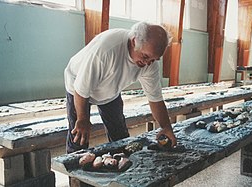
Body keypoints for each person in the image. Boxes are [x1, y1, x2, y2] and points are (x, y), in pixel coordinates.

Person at [64, 21, 177, 154]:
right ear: (134, 41)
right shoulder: (106, 51)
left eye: (153, 60)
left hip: (110, 88)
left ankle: (121, 162)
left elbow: (155, 99)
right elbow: (81, 90)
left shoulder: (150, 63)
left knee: (120, 136)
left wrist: (166, 127)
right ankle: (75, 169)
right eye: (145, 57)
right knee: (79, 135)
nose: (147, 63)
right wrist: (83, 119)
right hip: (78, 85)